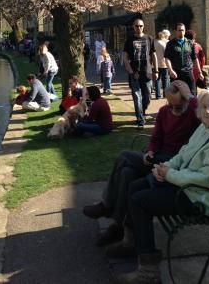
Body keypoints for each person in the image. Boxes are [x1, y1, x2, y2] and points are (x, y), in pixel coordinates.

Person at [110, 88, 209, 284]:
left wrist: (170, 175)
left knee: (139, 201)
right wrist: (166, 166)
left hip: (202, 198)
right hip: (190, 188)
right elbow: (184, 153)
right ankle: (131, 242)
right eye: (204, 107)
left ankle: (148, 272)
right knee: (136, 186)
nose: (207, 111)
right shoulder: (206, 128)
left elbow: (208, 178)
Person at [83, 81, 200, 246]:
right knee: (127, 173)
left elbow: (202, 112)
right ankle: (119, 227)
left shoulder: (193, 113)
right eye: (170, 104)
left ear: (186, 101)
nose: (174, 109)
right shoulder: (164, 111)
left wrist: (190, 96)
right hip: (158, 157)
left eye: (178, 106)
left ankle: (106, 204)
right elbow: (156, 138)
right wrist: (150, 151)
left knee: (124, 155)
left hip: (174, 163)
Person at [123, 18, 158, 128]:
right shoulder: (129, 40)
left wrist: (155, 70)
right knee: (137, 96)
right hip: (135, 73)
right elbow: (125, 57)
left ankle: (142, 111)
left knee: (147, 97)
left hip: (147, 72)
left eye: (141, 26)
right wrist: (131, 71)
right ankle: (140, 120)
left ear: (143, 26)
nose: (139, 28)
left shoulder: (149, 38)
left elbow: (153, 55)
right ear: (133, 27)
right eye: (137, 26)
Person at [164, 23, 203, 95]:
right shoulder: (170, 44)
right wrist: (171, 70)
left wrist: (199, 72)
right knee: (175, 95)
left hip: (188, 72)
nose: (181, 32)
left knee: (192, 94)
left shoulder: (190, 43)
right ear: (176, 31)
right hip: (176, 73)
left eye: (183, 30)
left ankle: (191, 106)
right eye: (179, 30)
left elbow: (195, 59)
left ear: (185, 31)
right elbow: (167, 58)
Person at [153, 30, 170, 99]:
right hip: (164, 64)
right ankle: (165, 94)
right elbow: (166, 54)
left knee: (157, 80)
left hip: (155, 64)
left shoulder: (153, 42)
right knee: (165, 80)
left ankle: (158, 95)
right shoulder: (164, 43)